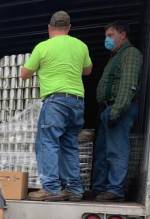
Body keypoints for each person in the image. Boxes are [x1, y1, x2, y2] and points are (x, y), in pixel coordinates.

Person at [21, 10, 93, 202]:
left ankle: (51, 188)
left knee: (48, 143)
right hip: (77, 101)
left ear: (50, 28)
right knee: (70, 144)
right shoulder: (81, 45)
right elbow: (87, 70)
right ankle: (75, 189)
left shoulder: (43, 47)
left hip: (55, 101)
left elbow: (25, 74)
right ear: (68, 28)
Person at [93, 21, 142, 202]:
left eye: (110, 35)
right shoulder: (115, 56)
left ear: (122, 34)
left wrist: (116, 110)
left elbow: (128, 85)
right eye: (106, 36)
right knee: (102, 152)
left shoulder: (130, 54)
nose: (107, 39)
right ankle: (99, 188)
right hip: (108, 110)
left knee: (116, 151)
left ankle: (115, 190)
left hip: (118, 109)